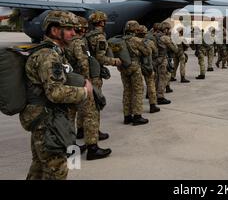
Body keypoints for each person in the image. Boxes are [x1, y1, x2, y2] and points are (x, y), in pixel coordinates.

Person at [20, 10, 93, 179]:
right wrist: (84, 91)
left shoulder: (54, 52)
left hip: (44, 118)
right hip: (46, 122)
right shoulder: (48, 56)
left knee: (39, 167)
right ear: (54, 31)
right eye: (68, 29)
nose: (73, 33)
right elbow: (55, 93)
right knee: (57, 171)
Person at [65, 16, 111, 160]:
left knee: (70, 115)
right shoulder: (78, 43)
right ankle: (93, 148)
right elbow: (83, 62)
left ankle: (71, 146)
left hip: (69, 81)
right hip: (80, 82)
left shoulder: (65, 43)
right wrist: (87, 82)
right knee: (90, 113)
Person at [119, 20, 150, 125]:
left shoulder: (121, 40)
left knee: (127, 91)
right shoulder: (136, 40)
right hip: (135, 67)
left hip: (123, 68)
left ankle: (127, 116)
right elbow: (147, 52)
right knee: (137, 91)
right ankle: (137, 116)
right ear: (136, 29)